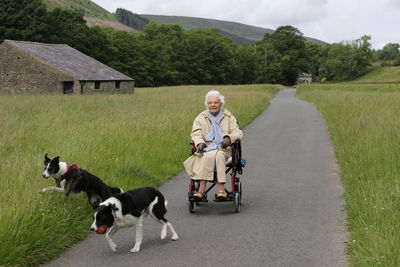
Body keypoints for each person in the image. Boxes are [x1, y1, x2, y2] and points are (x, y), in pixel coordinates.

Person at [183, 90, 243, 200]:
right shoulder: (201, 117)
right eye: (210, 103)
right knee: (208, 155)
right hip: (207, 149)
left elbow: (238, 133)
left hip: (224, 150)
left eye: (215, 102)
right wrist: (200, 142)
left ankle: (204, 190)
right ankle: (220, 190)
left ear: (221, 103)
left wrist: (229, 138)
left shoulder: (229, 117)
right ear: (207, 104)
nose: (212, 105)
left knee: (218, 155)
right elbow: (196, 133)